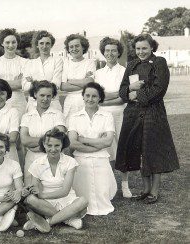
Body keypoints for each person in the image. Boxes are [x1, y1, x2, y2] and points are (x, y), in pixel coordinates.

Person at [115, 34, 179, 204]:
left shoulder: (159, 63)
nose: (141, 52)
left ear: (152, 47)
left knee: (153, 149)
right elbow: (122, 91)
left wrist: (137, 95)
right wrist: (130, 89)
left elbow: (159, 89)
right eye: (138, 48)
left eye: (144, 48)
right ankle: (144, 189)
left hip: (153, 112)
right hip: (133, 113)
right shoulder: (131, 64)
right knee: (139, 150)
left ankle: (154, 191)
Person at [23, 128, 88, 233]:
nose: (53, 149)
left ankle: (47, 222)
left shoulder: (70, 162)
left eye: (57, 145)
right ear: (44, 145)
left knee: (83, 201)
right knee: (30, 199)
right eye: (49, 145)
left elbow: (65, 191)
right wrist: (33, 190)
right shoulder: (37, 163)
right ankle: (68, 219)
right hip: (46, 204)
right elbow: (35, 189)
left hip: (66, 199)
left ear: (62, 145)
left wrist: (42, 195)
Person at [68, 82, 117, 215]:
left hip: (101, 157)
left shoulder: (107, 115)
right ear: (83, 97)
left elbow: (108, 141)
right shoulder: (74, 117)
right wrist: (97, 144)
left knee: (102, 190)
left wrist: (83, 139)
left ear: (100, 98)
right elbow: (72, 143)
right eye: (87, 95)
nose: (90, 99)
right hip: (80, 158)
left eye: (94, 96)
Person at [94, 37, 132, 198]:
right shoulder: (98, 73)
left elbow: (126, 96)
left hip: (120, 113)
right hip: (102, 115)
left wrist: (107, 97)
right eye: (107, 50)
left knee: (122, 148)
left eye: (113, 50)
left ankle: (125, 185)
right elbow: (97, 97)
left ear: (118, 53)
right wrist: (117, 94)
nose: (110, 53)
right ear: (103, 52)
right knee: (106, 149)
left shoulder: (125, 71)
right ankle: (110, 184)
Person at [20, 81, 66, 185]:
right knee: (30, 193)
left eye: (49, 96)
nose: (45, 99)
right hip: (31, 159)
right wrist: (48, 140)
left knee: (50, 190)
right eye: (42, 95)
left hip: (52, 159)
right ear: (35, 94)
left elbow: (59, 138)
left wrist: (37, 146)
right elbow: (24, 140)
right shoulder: (27, 116)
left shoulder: (58, 115)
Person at [0, 28, 27, 118]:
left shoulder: (24, 62)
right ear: (2, 43)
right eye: (7, 42)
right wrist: (16, 82)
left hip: (19, 103)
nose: (11, 45)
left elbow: (24, 84)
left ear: (17, 43)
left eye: (13, 42)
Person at [23, 30, 63, 111]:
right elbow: (25, 85)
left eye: (47, 43)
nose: (44, 46)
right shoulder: (29, 63)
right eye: (41, 43)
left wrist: (34, 83)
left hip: (52, 103)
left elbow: (56, 83)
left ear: (51, 45)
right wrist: (48, 83)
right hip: (33, 104)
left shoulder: (57, 61)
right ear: (37, 45)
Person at [60, 34, 96, 123]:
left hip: (86, 100)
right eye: (71, 47)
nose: (74, 49)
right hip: (70, 102)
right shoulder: (66, 63)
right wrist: (83, 81)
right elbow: (63, 86)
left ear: (83, 47)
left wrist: (71, 81)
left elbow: (90, 82)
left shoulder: (89, 62)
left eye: (77, 46)